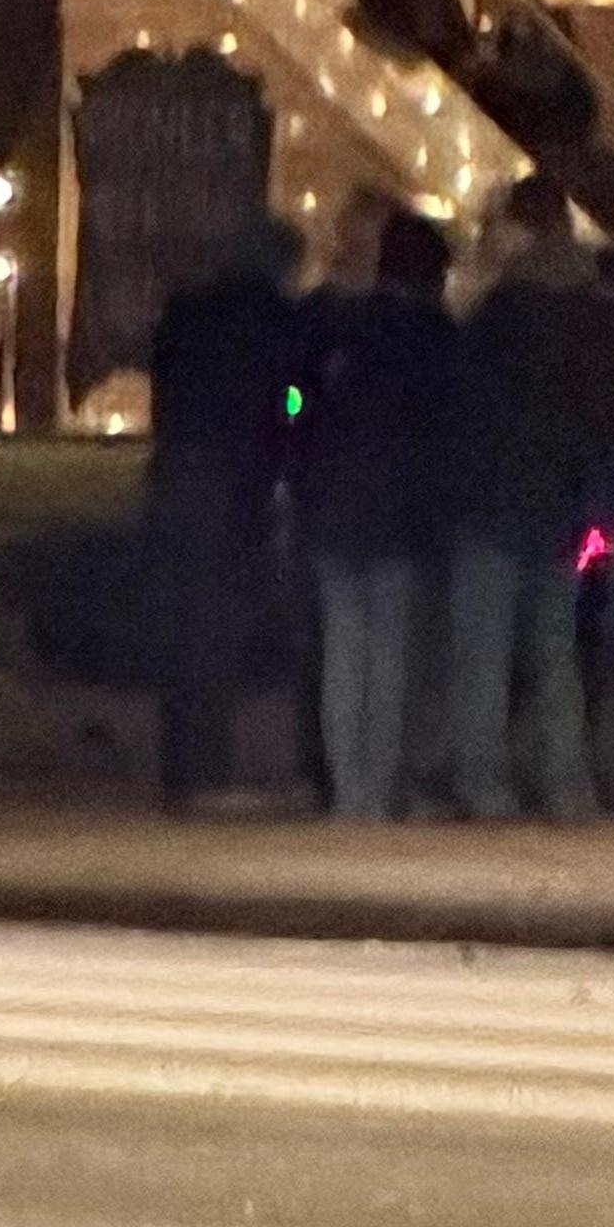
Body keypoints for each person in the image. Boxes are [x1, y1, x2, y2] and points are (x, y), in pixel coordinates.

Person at [444, 173, 614, 821]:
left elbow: (464, 412)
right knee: (555, 656)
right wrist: (602, 516)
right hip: (565, 507)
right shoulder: (603, 313)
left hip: (493, 504)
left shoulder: (500, 310)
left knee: (485, 656)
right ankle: (567, 785)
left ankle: (484, 783)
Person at [295, 198, 464, 817]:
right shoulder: (437, 340)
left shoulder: (339, 328)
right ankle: (379, 784)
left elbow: (297, 404)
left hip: (335, 506)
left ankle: (348, 788)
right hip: (399, 515)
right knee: (389, 654)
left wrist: (302, 467)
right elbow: (447, 432)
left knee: (344, 649)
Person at [142, 215, 309, 804]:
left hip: (179, 477)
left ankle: (182, 764)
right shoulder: (279, 321)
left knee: (183, 625)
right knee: (219, 627)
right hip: (238, 484)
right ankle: (210, 765)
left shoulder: (186, 313)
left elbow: (164, 390)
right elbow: (288, 400)